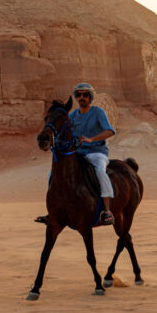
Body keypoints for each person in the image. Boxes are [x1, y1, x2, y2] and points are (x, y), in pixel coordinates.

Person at [37, 82, 116, 226]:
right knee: (52, 174)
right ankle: (53, 211)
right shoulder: (73, 115)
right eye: (79, 95)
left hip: (96, 152)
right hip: (78, 153)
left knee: (100, 172)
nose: (82, 97)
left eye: (85, 95)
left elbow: (109, 131)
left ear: (90, 97)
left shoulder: (98, 112)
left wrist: (91, 139)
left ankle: (107, 211)